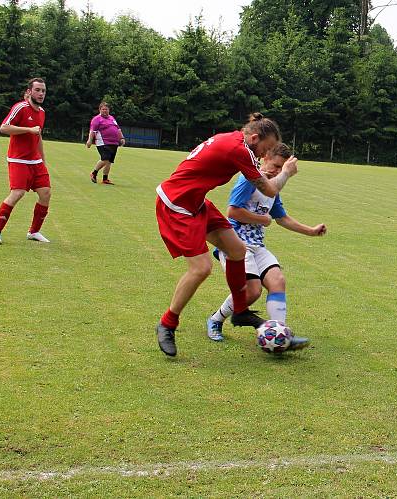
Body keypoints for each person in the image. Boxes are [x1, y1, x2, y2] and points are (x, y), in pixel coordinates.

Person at [154, 113, 297, 357]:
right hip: (176, 205)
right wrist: (286, 172)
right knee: (201, 268)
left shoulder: (233, 139)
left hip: (196, 202)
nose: (266, 154)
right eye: (267, 148)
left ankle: (240, 311)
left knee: (237, 250)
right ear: (254, 137)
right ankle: (167, 324)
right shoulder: (239, 151)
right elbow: (271, 188)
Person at [207, 143, 326, 348]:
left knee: (277, 281)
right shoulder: (249, 179)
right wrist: (262, 219)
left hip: (257, 246)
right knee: (252, 292)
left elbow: (281, 218)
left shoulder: (272, 188)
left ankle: (281, 336)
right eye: (275, 166)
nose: (278, 172)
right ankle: (216, 320)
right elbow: (233, 212)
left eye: (282, 169)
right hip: (235, 242)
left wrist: (311, 231)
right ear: (264, 158)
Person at [0, 78, 51, 245]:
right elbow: (4, 127)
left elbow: (38, 136)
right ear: (29, 91)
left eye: (43, 90)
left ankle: (34, 232)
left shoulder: (42, 112)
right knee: (18, 193)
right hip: (18, 160)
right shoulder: (20, 108)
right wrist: (28, 129)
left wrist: (43, 159)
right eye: (37, 90)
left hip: (35, 162)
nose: (41, 93)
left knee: (45, 194)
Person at [86, 102, 125, 185]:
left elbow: (118, 129)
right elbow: (92, 131)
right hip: (103, 143)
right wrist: (89, 140)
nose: (105, 111)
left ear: (109, 110)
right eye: (103, 109)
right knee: (105, 159)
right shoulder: (96, 119)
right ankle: (94, 173)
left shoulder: (111, 118)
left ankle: (105, 179)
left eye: (106, 109)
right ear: (100, 110)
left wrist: (121, 138)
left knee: (109, 161)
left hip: (114, 143)